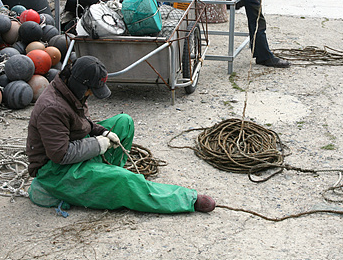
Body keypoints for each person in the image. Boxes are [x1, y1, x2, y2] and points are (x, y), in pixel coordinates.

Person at [25, 55, 215, 213]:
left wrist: (103, 131)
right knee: (125, 181)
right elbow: (61, 154)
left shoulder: (70, 90)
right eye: (92, 90)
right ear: (81, 85)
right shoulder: (52, 108)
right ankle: (185, 199)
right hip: (55, 172)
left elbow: (81, 122)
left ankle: (105, 180)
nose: (91, 94)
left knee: (124, 123)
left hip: (74, 154)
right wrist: (98, 144)